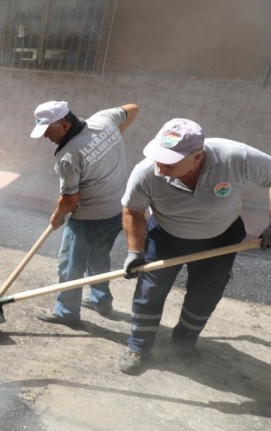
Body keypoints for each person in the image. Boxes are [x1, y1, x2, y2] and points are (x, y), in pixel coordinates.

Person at [118, 118, 271, 374]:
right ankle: (138, 346)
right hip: (166, 237)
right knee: (150, 293)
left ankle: (183, 344)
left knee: (205, 295)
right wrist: (135, 251)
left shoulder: (235, 157)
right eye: (158, 157)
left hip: (221, 238)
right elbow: (132, 210)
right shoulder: (147, 172)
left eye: (169, 162)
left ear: (197, 157)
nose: (160, 167)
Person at [30, 100, 138, 325]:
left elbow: (70, 200)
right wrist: (113, 136)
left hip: (89, 218)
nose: (45, 136)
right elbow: (132, 108)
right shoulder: (104, 120)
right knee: (98, 257)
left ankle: (66, 312)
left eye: (48, 130)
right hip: (116, 210)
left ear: (64, 126)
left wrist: (57, 216)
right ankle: (101, 300)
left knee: (70, 264)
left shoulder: (69, 156)